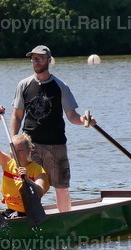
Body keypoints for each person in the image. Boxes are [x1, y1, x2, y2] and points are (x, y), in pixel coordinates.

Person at [11, 45, 87, 212]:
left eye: (39, 58)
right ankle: (32, 217)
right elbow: (17, 116)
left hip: (56, 144)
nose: (36, 62)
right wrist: (13, 142)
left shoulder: (60, 86)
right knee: (28, 184)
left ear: (48, 60)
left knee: (61, 186)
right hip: (29, 146)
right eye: (33, 58)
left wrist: (85, 120)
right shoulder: (23, 85)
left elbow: (72, 115)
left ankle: (65, 219)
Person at [0, 105, 50, 216]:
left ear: (29, 150)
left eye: (20, 150)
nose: (15, 154)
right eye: (13, 150)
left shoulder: (37, 169)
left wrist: (28, 179)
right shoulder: (7, 163)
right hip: (11, 211)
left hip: (30, 212)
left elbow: (40, 191)